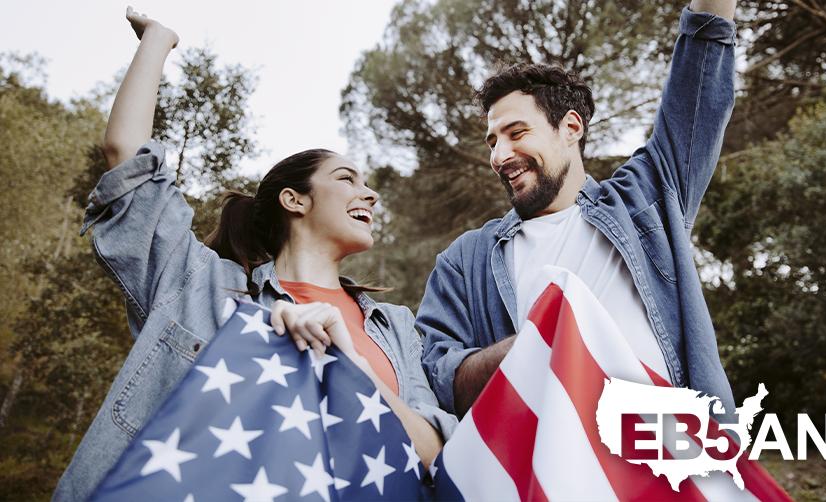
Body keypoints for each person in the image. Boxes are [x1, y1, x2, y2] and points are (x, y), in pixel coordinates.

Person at [54, 8, 455, 501]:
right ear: (294, 199)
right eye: (348, 179)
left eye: (369, 184)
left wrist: (360, 370)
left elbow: (437, 453)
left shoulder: (394, 327)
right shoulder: (200, 285)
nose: (370, 194)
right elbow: (127, 157)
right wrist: (158, 41)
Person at [418, 0, 739, 418]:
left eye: (517, 133)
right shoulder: (465, 260)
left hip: (673, 463)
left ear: (570, 128)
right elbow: (441, 383)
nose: (500, 155)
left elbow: (702, 63)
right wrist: (539, 339)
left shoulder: (646, 197)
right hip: (547, 474)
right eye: (493, 141)